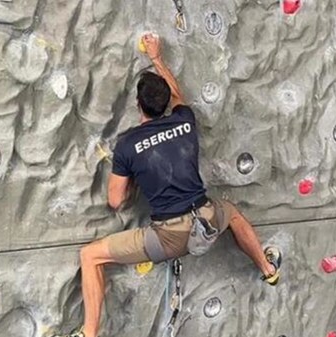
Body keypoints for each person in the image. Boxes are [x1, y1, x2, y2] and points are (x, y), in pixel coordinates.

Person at [54, 33, 281, 337]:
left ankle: (89, 333)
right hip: (208, 219)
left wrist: (133, 176)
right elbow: (176, 94)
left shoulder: (128, 144)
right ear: (166, 105)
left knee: (91, 256)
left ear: (138, 105)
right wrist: (157, 57)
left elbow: (115, 200)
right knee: (234, 214)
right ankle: (268, 270)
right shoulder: (184, 120)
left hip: (168, 238)